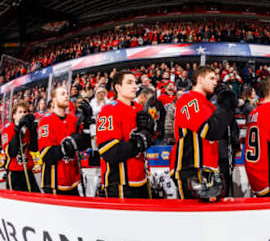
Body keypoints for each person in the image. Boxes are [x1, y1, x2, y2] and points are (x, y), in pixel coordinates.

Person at [169, 66, 236, 199]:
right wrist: (225, 107)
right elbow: (210, 131)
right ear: (199, 79)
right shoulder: (189, 98)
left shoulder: (208, 104)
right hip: (191, 166)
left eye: (216, 79)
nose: (215, 82)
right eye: (211, 78)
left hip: (208, 167)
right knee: (193, 214)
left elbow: (222, 133)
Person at [97, 70, 155, 198]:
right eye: (129, 83)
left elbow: (149, 139)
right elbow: (109, 151)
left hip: (142, 178)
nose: (135, 86)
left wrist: (149, 133)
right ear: (118, 87)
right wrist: (139, 142)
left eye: (135, 82)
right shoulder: (109, 110)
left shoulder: (139, 108)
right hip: (119, 183)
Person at [38, 86, 92, 195]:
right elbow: (45, 155)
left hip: (73, 180)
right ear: (53, 100)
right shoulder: (45, 121)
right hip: (54, 182)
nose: (67, 96)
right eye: (62, 94)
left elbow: (86, 144)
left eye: (67, 93)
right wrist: (67, 146)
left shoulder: (73, 120)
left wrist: (87, 122)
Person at [1, 102, 40, 192]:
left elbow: (34, 148)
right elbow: (11, 152)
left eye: (25, 112)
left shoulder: (27, 128)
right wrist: (19, 130)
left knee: (35, 199)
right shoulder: (7, 129)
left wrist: (33, 131)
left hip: (28, 170)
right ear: (14, 115)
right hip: (14, 173)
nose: (23, 114)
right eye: (20, 112)